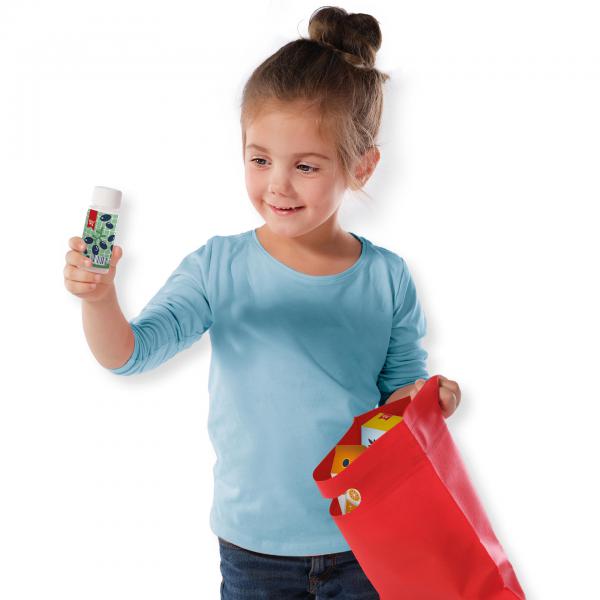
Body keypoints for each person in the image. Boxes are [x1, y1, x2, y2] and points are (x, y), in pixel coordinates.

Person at [64, 6, 461, 599]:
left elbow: (398, 396)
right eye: (259, 159)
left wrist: (429, 399)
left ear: (361, 166)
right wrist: (98, 299)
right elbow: (128, 354)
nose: (277, 184)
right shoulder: (218, 268)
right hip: (254, 552)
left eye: (305, 166)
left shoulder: (387, 277)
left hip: (365, 534)